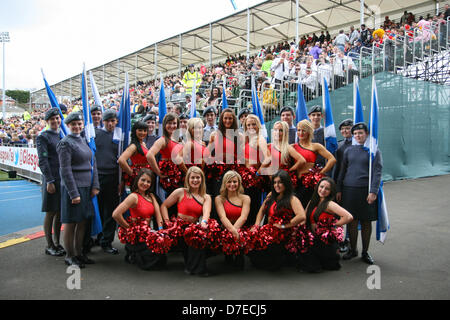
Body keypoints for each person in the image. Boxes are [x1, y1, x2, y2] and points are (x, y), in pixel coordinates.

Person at [57, 112, 100, 268]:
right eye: (73, 124)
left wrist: (95, 185)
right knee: (71, 222)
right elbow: (65, 170)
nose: (77, 126)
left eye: (79, 124)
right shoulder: (65, 143)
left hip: (86, 187)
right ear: (68, 126)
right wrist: (73, 193)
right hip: (73, 188)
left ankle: (79, 253)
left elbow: (92, 163)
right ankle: (70, 255)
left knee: (82, 222)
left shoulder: (83, 140)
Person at [337, 123, 382, 265]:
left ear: (366, 134)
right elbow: (342, 171)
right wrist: (338, 189)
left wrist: (373, 191)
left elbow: (377, 172)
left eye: (360, 133)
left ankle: (365, 251)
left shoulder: (373, 151)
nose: (358, 136)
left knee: (366, 221)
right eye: (355, 134)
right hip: (349, 190)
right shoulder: (348, 151)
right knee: (351, 221)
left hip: (365, 191)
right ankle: (353, 249)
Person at [160, 166, 212, 276]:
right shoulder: (180, 192)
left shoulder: (206, 197)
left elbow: (206, 213)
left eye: (198, 177)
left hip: (192, 229)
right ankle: (192, 266)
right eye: (192, 177)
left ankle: (196, 268)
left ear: (202, 179)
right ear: (187, 179)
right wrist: (167, 223)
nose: (195, 180)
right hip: (179, 229)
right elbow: (164, 206)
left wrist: (204, 222)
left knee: (198, 238)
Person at [249, 170, 306, 271]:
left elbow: (302, 216)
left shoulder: (292, 199)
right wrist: (256, 226)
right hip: (269, 230)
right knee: (252, 243)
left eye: (280, 182)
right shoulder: (271, 195)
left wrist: (284, 226)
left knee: (273, 259)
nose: (277, 185)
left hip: (282, 234)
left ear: (286, 183)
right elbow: (261, 211)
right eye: (275, 182)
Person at [112, 168, 166, 270]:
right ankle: (133, 253)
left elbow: (158, 215)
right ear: (137, 180)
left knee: (161, 254)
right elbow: (116, 214)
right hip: (137, 236)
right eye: (143, 180)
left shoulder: (151, 196)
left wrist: (160, 232)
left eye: (148, 181)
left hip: (148, 233)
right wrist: (129, 228)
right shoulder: (133, 197)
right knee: (154, 258)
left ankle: (137, 254)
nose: (145, 183)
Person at [297, 177, 353, 273]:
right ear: (317, 187)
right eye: (321, 187)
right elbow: (304, 218)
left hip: (323, 242)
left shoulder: (329, 204)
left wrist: (332, 225)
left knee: (312, 266)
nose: (323, 190)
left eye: (327, 189)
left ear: (331, 191)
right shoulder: (313, 201)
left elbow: (348, 217)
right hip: (312, 238)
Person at [36, 108, 65, 257]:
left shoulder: (62, 134)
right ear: (47, 121)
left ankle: (57, 242)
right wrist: (49, 180)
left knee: (59, 212)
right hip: (51, 179)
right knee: (50, 212)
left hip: (62, 179)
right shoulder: (43, 137)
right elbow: (43, 160)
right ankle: (49, 245)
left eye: (57, 118)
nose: (55, 121)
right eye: (52, 119)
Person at [94, 109, 120, 254]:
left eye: (113, 121)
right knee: (96, 209)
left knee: (110, 211)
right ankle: (95, 237)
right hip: (98, 177)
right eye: (108, 121)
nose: (110, 124)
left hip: (113, 177)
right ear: (103, 121)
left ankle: (107, 241)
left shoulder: (119, 136)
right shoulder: (96, 135)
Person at [293, 119, 336, 208]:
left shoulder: (315, 146)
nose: (301, 132)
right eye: (299, 130)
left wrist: (321, 173)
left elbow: (332, 159)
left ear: (309, 131)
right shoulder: (293, 147)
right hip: (294, 183)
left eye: (303, 130)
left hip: (309, 184)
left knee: (308, 208)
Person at [215, 170, 251, 269]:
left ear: (239, 183)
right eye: (229, 182)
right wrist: (231, 232)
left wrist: (234, 232)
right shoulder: (219, 198)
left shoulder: (246, 198)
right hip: (226, 229)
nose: (232, 184)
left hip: (240, 230)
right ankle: (228, 254)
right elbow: (222, 217)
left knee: (240, 265)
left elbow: (244, 217)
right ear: (224, 183)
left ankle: (239, 254)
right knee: (228, 263)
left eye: (235, 182)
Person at [242, 114, 270, 225]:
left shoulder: (260, 139)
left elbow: (267, 158)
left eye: (253, 124)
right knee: (244, 210)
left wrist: (257, 173)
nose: (251, 127)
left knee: (252, 210)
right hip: (244, 181)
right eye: (248, 125)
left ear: (258, 125)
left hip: (253, 181)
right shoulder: (246, 140)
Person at [147, 113, 185, 194]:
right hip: (169, 177)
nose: (172, 126)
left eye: (174, 123)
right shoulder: (162, 140)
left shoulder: (179, 140)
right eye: (169, 123)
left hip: (179, 175)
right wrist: (158, 172)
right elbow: (149, 155)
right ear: (164, 125)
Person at [118, 121, 151, 187]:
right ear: (135, 131)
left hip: (146, 176)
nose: (143, 133)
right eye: (140, 130)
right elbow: (121, 160)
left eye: (145, 130)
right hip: (139, 178)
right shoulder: (133, 146)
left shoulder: (143, 143)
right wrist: (132, 173)